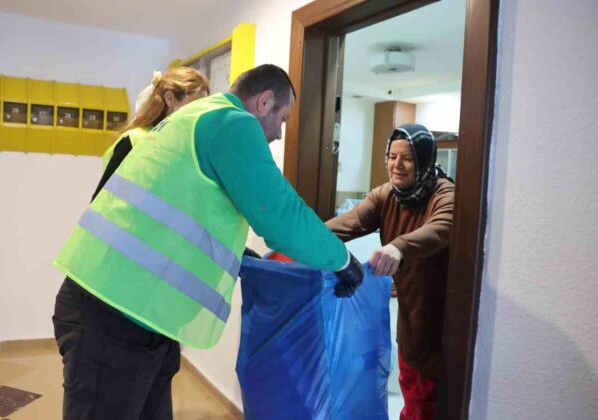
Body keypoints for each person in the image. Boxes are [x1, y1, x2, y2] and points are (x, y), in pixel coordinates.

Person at [52, 64, 365, 420]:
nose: (279, 134)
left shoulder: (197, 116)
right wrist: (342, 261)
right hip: (112, 315)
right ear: (264, 102)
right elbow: (280, 215)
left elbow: (185, 209)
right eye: (283, 118)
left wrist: (233, 253)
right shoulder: (233, 122)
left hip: (136, 310)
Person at [325, 124, 455, 420]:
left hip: (440, 317)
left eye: (407, 158)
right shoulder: (386, 195)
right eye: (392, 156)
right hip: (409, 313)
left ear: (424, 160)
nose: (397, 165)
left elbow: (444, 225)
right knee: (411, 389)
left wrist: (398, 247)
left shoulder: (444, 193)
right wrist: (296, 240)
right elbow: (347, 223)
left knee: (428, 399)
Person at [94, 67, 210, 200]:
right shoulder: (134, 141)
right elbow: (101, 201)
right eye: (193, 108)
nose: (197, 115)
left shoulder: (185, 147)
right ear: (170, 99)